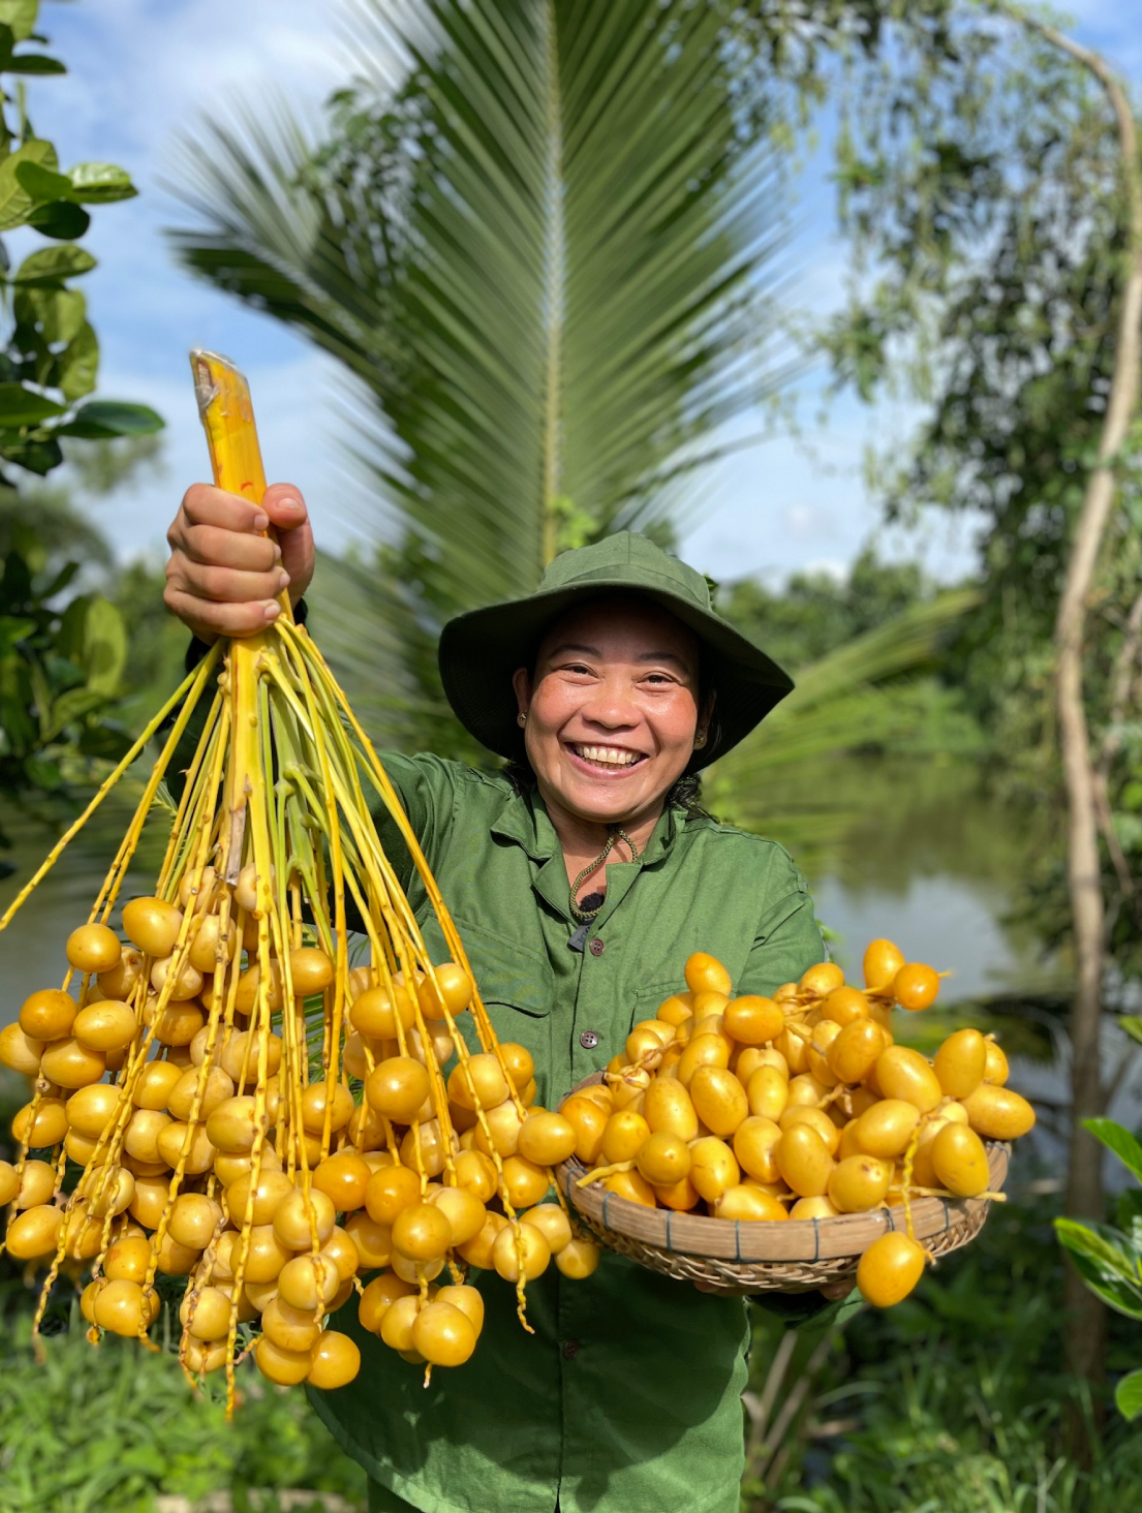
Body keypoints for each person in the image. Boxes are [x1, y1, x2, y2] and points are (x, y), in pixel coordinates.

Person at [165, 483, 858, 1513]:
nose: (613, 710)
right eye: (577, 670)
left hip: (658, 1465)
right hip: (441, 1459)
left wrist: (817, 1259)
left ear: (702, 720)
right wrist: (259, 631)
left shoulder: (753, 888)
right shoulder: (437, 823)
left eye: (658, 679)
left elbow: (813, 1139)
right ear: (527, 693)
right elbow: (264, 801)